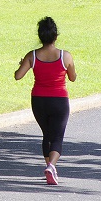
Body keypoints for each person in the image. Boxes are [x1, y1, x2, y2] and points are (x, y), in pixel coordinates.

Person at [14, 16, 76, 185]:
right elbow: (72, 78)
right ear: (56, 36)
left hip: (39, 101)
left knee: (47, 134)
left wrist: (22, 64)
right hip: (59, 100)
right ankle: (52, 167)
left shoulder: (32, 55)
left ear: (40, 36)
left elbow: (18, 76)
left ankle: (49, 167)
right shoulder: (65, 56)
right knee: (57, 137)